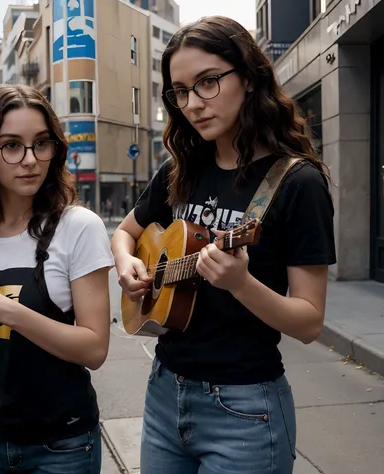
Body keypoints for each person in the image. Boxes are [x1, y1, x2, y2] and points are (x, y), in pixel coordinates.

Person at [112, 16, 335, 474]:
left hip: (245, 409)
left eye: (208, 82)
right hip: (163, 392)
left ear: (249, 79)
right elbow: (125, 232)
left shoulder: (297, 183)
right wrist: (126, 266)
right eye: (180, 91)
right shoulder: (181, 169)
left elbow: (309, 322)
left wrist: (240, 283)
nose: (193, 103)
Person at [0, 84, 113, 474]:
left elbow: (94, 348)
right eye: (12, 145)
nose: (30, 159)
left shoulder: (77, 227)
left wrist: (7, 311)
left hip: (62, 446)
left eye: (41, 143)